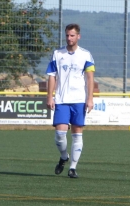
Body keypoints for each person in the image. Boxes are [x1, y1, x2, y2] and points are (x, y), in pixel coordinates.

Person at [46, 23, 95, 178]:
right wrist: (49, 96)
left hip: (79, 99)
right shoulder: (57, 53)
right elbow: (52, 76)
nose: (69, 38)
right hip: (61, 99)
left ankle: (72, 168)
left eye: (72, 35)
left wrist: (90, 98)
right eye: (67, 35)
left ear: (78, 36)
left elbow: (89, 78)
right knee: (60, 134)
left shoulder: (86, 55)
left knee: (77, 134)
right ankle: (63, 157)